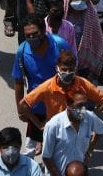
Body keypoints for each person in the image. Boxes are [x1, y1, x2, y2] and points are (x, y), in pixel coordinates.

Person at [12, 15, 71, 156]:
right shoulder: (22, 51)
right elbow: (18, 81)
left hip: (60, 105)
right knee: (31, 147)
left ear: (44, 31)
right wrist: (20, 108)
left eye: (35, 34)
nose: (32, 38)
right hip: (36, 107)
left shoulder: (60, 45)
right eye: (28, 35)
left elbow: (72, 73)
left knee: (60, 145)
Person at [18, 48, 103, 131]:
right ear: (57, 68)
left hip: (77, 130)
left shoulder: (83, 84)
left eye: (71, 69)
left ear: (75, 68)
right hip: (56, 131)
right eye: (64, 69)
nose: (67, 73)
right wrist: (39, 125)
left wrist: (90, 117)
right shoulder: (47, 87)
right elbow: (23, 104)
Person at [42, 93, 103, 176]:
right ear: (68, 105)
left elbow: (101, 130)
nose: (83, 109)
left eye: (85, 105)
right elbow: (46, 156)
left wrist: (89, 150)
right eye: (79, 105)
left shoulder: (89, 117)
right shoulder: (53, 125)